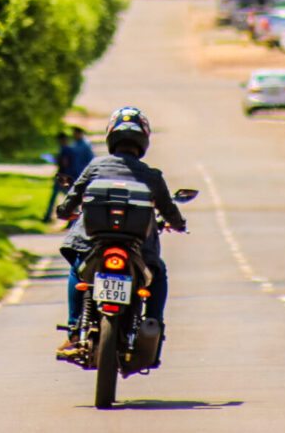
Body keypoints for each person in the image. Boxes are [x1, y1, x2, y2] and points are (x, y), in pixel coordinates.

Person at [54, 106, 186, 360]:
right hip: (139, 249)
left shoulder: (95, 167)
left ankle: (74, 330)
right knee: (158, 274)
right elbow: (170, 210)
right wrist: (178, 224)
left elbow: (70, 202)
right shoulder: (151, 175)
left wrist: (63, 212)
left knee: (77, 270)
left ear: (111, 137)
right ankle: (153, 324)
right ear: (143, 140)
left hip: (93, 244)